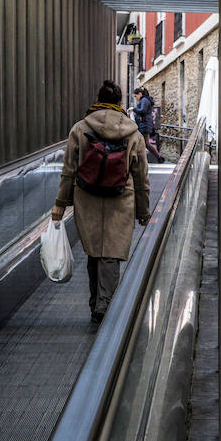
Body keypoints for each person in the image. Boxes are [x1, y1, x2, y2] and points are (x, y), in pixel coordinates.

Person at [52, 80, 151, 325]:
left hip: (87, 198)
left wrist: (60, 205)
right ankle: (105, 303)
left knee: (94, 252)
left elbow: (68, 171)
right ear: (119, 102)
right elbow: (141, 176)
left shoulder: (80, 128)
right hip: (121, 199)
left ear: (98, 100)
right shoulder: (133, 132)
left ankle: (95, 301)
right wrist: (143, 210)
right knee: (112, 254)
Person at [131, 86, 161, 162]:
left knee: (141, 142)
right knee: (146, 143)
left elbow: (142, 110)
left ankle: (139, 160)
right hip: (145, 124)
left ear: (140, 94)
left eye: (135, 96)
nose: (136, 98)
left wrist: (133, 109)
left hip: (144, 125)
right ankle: (159, 157)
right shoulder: (145, 100)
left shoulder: (144, 100)